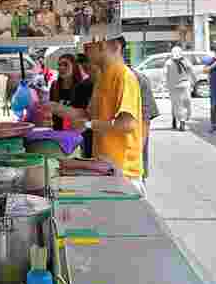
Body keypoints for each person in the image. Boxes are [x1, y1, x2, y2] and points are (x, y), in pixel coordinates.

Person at [76, 37, 144, 192]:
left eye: (88, 46)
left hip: (123, 172)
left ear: (104, 44)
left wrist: (88, 125)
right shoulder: (101, 76)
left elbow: (127, 124)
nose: (85, 51)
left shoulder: (124, 76)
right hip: (103, 167)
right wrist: (56, 108)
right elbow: (89, 114)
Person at [114, 37, 159, 183]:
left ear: (116, 48)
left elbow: (145, 122)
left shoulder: (136, 79)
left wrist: (134, 158)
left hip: (129, 167)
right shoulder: (101, 79)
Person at [47, 53, 94, 156]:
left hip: (78, 137)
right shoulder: (54, 86)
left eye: (65, 64)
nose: (61, 68)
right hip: (59, 136)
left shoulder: (82, 87)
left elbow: (85, 114)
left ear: (75, 67)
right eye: (59, 65)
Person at [164, 46, 193, 131]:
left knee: (183, 103)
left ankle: (178, 118)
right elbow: (164, 73)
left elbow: (191, 71)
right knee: (179, 105)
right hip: (175, 86)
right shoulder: (169, 63)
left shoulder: (185, 61)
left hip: (183, 85)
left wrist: (194, 81)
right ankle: (181, 121)